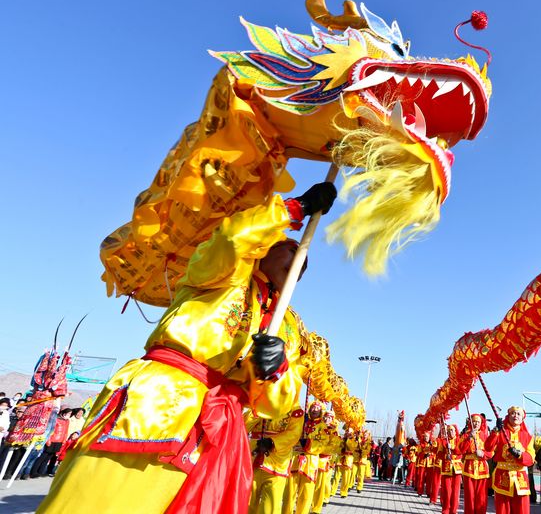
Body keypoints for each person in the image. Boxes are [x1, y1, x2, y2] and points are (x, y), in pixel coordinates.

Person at [38, 184, 336, 514]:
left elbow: (278, 402)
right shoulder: (225, 273)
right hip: (156, 402)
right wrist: (295, 208)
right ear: (263, 250)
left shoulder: (287, 327)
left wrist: (272, 371)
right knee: (99, 501)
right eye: (291, 248)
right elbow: (231, 238)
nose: (300, 259)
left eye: (304, 260)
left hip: (217, 433)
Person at [247, 408, 304, 514]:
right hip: (253, 459)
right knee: (247, 502)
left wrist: (272, 442)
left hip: (277, 462)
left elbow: (294, 434)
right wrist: (257, 410)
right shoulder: (258, 405)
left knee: (270, 506)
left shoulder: (295, 410)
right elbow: (243, 426)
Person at [485, 407, 534, 514]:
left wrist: (520, 455)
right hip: (502, 477)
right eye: (513, 413)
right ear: (508, 416)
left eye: (518, 414)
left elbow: (531, 459)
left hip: (521, 480)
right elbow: (488, 447)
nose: (515, 415)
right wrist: (495, 431)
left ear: (522, 419)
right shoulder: (500, 432)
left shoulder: (528, 437)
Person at [459, 413, 491, 514]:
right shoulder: (465, 435)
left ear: (481, 423)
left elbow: (491, 452)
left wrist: (483, 453)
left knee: (481, 497)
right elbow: (460, 450)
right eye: (474, 421)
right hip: (469, 468)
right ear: (471, 423)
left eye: (478, 422)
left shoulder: (485, 436)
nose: (476, 423)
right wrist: (469, 438)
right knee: (469, 496)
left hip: (482, 469)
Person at [311, 409, 341, 514]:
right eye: (325, 416)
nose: (326, 419)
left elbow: (333, 447)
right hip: (313, 457)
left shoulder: (334, 431)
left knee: (322, 483)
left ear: (332, 419)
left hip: (324, 459)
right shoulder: (318, 426)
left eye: (329, 417)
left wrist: (318, 448)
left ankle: (320, 502)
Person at [437, 424, 463, 514]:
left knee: (456, 491)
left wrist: (452, 447)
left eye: (452, 430)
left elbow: (461, 452)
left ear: (455, 431)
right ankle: (445, 510)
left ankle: (453, 510)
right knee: (447, 491)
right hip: (446, 468)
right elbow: (439, 454)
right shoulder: (443, 441)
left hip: (457, 468)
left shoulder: (460, 440)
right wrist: (445, 456)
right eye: (448, 431)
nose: (450, 432)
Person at [354, 429, 373, 493]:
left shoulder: (369, 442)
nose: (365, 434)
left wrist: (361, 451)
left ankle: (359, 487)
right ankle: (350, 484)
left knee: (361, 474)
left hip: (363, 459)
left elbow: (367, 451)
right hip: (356, 458)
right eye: (364, 433)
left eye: (366, 434)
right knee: (353, 473)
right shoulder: (359, 439)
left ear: (368, 435)